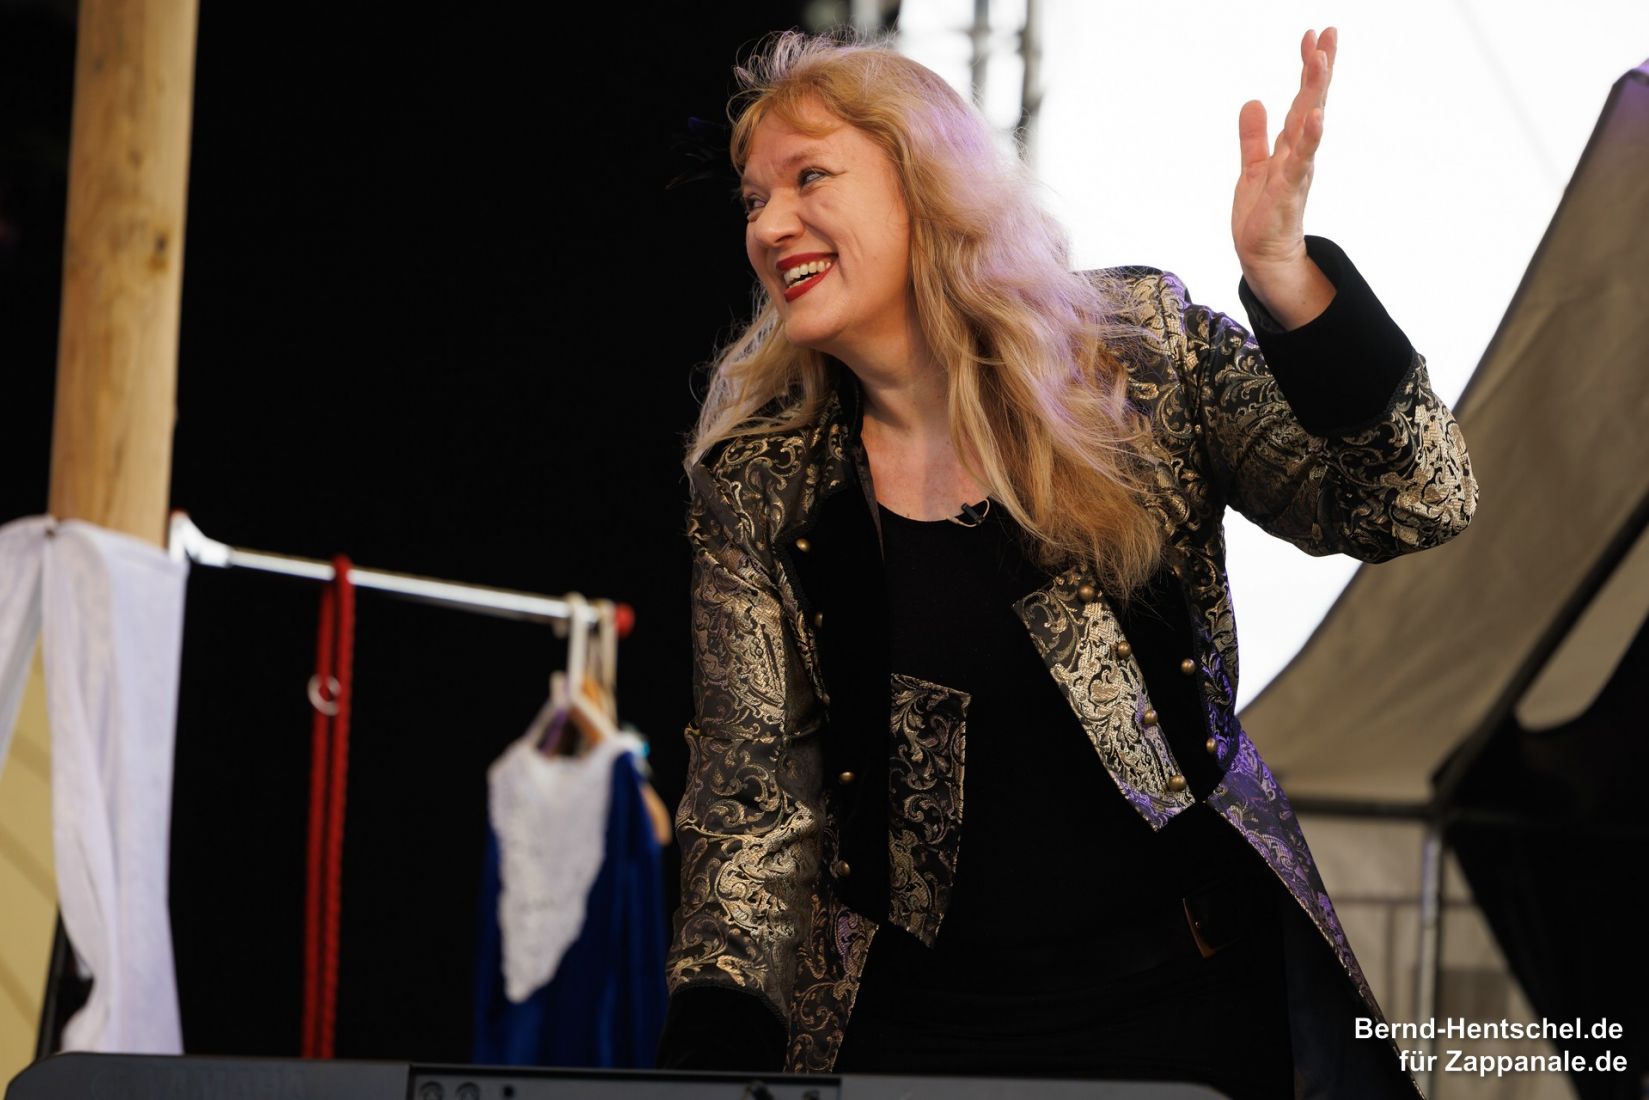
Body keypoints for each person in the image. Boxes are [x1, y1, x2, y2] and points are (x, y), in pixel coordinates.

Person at [658, 27, 1475, 1100]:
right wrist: (709, 1059)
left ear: (926, 182)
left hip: (1184, 1004)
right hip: (919, 1029)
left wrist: (1288, 282)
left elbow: (1413, 502)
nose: (769, 224)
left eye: (809, 177)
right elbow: (752, 804)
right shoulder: (761, 481)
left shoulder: (1136, 353)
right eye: (753, 198)